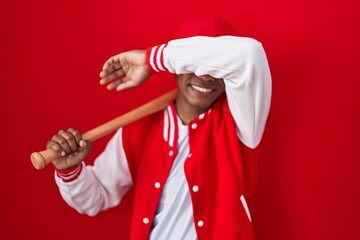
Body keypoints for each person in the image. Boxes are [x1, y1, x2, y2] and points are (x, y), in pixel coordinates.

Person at [47, 14, 271, 240]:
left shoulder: (241, 121)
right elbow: (95, 197)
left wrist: (151, 59)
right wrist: (70, 171)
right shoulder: (139, 128)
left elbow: (250, 55)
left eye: (214, 67)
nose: (204, 76)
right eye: (191, 65)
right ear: (177, 66)